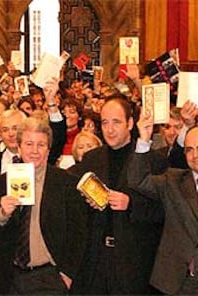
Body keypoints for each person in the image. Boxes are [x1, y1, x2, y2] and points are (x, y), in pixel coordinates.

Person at [128, 112, 198, 294]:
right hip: (173, 284)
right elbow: (138, 181)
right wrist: (143, 139)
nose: (195, 155)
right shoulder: (173, 181)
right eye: (189, 149)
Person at [70, 96, 167, 294]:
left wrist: (130, 204)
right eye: (105, 122)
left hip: (134, 263)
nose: (110, 129)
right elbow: (75, 210)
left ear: (130, 124)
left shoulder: (153, 160)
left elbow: (163, 211)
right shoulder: (92, 158)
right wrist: (87, 201)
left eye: (116, 122)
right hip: (96, 260)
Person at [0, 117, 87, 294]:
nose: (34, 151)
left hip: (49, 277)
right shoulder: (3, 182)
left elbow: (79, 233)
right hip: (10, 278)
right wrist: (2, 213)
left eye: (41, 145)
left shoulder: (66, 183)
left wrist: (67, 274)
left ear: (48, 149)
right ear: (19, 146)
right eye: (29, 144)